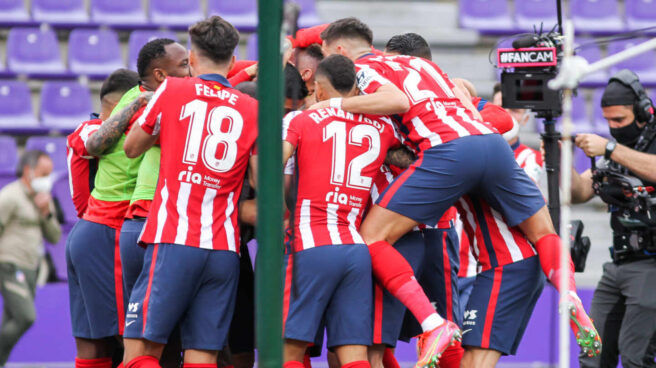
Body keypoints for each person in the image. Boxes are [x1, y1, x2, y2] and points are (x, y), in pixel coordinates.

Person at [318, 17, 598, 367]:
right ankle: (569, 293)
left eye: (327, 55)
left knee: (371, 238)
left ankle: (432, 323)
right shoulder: (432, 70)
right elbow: (507, 122)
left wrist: (330, 105)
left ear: (340, 51)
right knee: (544, 232)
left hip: (446, 154)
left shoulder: (365, 68)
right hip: (491, 146)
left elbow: (396, 104)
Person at [121, 15, 258, 368]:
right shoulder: (252, 108)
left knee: (140, 350)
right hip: (224, 249)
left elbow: (132, 147)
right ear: (232, 61)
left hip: (174, 238)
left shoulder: (173, 90)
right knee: (203, 355)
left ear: (192, 59)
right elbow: (261, 182)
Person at [280, 54, 400, 368]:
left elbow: (270, 171)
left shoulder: (301, 120)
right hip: (356, 248)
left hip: (309, 244)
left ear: (319, 89)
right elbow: (410, 153)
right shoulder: (383, 126)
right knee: (353, 354)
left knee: (288, 351)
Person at [573, 70, 656, 368]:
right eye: (608, 122)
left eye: (619, 120)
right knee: (592, 352)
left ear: (644, 111)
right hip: (618, 264)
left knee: (636, 357)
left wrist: (610, 147)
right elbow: (579, 192)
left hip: (651, 266)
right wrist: (558, 158)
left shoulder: (622, 148)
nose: (613, 127)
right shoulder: (618, 152)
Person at [66, 68, 149, 368]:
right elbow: (89, 143)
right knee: (125, 335)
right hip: (106, 232)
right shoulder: (90, 129)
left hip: (93, 232)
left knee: (94, 341)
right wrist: (138, 106)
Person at [0, 150, 61, 367]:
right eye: (43, 173)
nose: (47, 179)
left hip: (31, 267)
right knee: (26, 317)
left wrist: (46, 212)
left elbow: (54, 236)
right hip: (9, 264)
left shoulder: (44, 199)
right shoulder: (9, 196)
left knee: (12, 320)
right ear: (28, 171)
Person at [67, 69, 140, 219]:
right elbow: (95, 144)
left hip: (118, 221)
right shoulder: (88, 129)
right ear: (122, 105)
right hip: (96, 223)